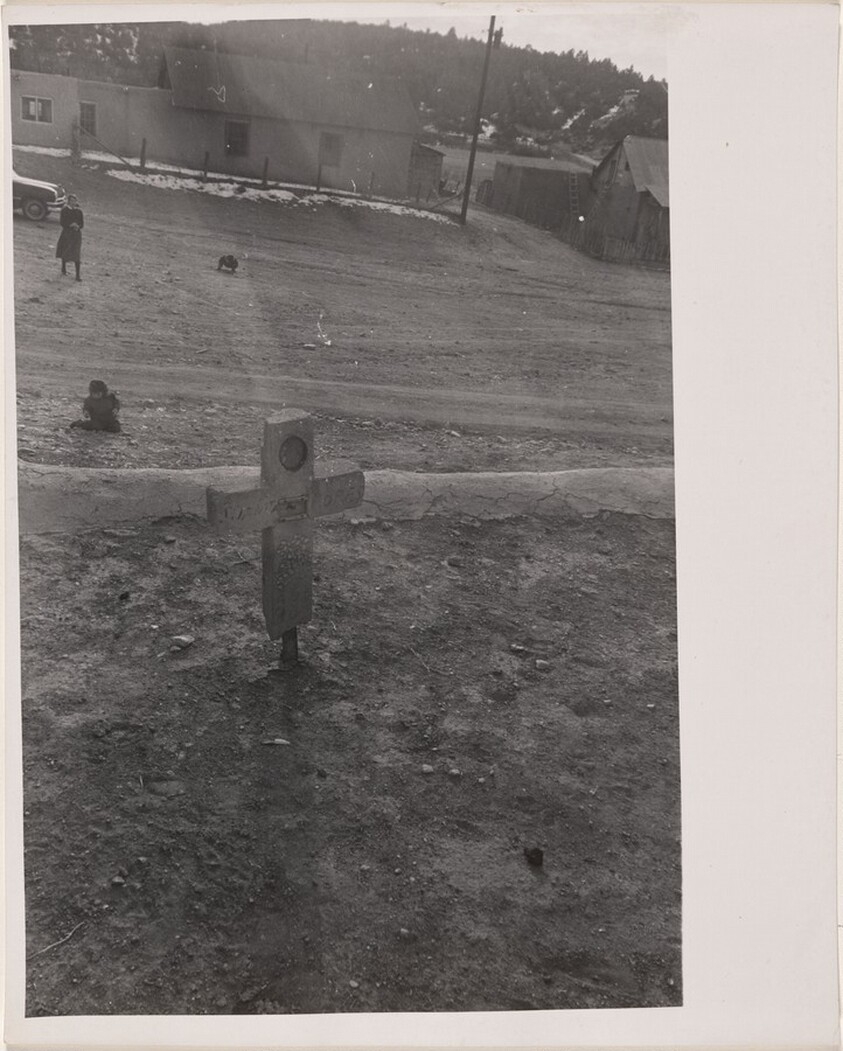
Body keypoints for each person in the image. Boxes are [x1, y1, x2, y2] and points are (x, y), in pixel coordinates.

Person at [56, 194, 84, 281]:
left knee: (76, 253)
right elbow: (62, 222)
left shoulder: (79, 212)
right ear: (68, 201)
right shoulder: (65, 210)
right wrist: (70, 225)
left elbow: (82, 224)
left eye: (75, 201)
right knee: (65, 250)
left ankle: (77, 275)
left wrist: (78, 226)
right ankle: (63, 269)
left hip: (76, 234)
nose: (73, 202)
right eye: (72, 201)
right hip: (67, 233)